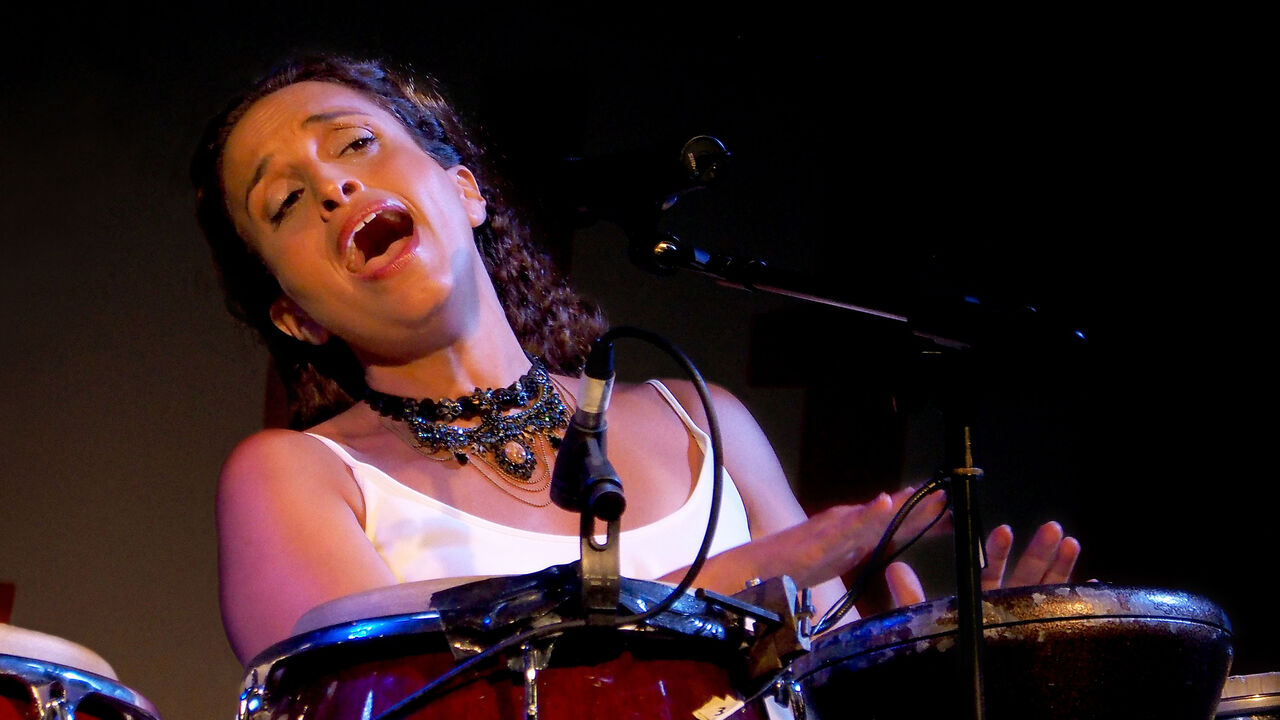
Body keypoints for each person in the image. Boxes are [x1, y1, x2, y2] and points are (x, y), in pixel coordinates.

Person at [191, 54, 1081, 668]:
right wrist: (732, 582)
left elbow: (833, 686)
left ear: (463, 190)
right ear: (291, 315)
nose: (337, 187)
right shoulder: (295, 476)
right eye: (286, 201)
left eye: (354, 143)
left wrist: (950, 668)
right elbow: (393, 688)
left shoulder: (703, 421)